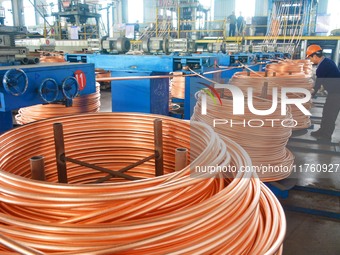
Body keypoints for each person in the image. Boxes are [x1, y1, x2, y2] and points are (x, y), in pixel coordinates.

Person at [306, 44, 340, 140]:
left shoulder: (322, 66)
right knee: (326, 112)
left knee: (330, 114)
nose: (310, 60)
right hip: (334, 92)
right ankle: (322, 131)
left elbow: (317, 84)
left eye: (310, 58)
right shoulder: (327, 61)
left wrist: (310, 95)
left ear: (315, 56)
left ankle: (326, 135)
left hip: (337, 93)